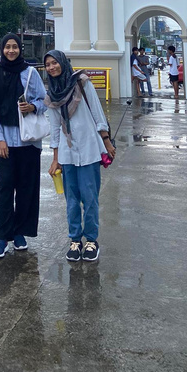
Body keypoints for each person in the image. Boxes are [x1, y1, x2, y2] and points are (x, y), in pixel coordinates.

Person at [45, 50, 115, 263]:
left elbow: (97, 113)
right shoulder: (52, 94)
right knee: (72, 200)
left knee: (90, 198)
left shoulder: (82, 83)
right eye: (47, 64)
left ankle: (92, 240)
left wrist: (106, 141)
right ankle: (75, 240)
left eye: (54, 62)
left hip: (89, 149)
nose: (52, 67)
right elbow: (54, 128)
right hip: (67, 153)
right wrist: (55, 158)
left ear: (63, 62)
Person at [0, 33, 47, 258]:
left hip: (29, 142)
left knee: (26, 189)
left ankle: (20, 232)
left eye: (14, 47)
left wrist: (33, 107)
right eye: (7, 47)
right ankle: (2, 236)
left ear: (20, 48)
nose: (11, 51)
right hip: (6, 143)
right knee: (5, 188)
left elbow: (44, 99)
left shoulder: (30, 73)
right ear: (1, 49)